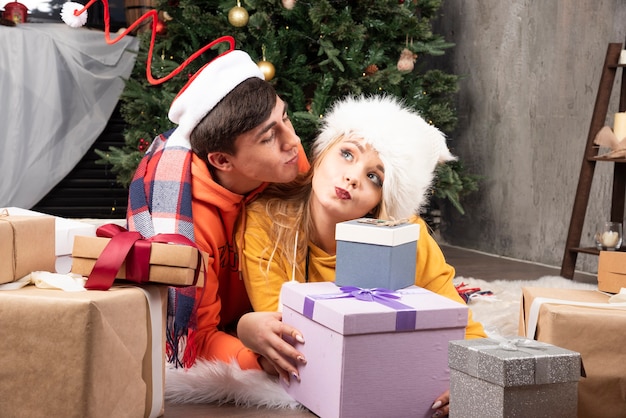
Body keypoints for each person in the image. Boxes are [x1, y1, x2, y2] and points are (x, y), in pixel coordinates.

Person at [236, 95, 487, 417]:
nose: (353, 177)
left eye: (374, 177)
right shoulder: (267, 220)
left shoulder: (405, 235)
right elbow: (288, 336)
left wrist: (468, 377)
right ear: (322, 154)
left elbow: (459, 324)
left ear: (381, 201)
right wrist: (247, 328)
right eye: (346, 154)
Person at [126, 49, 310, 375]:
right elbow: (197, 339)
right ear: (222, 161)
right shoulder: (181, 227)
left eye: (286, 117)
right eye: (269, 137)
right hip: (234, 339)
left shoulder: (290, 166)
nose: (293, 141)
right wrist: (263, 362)